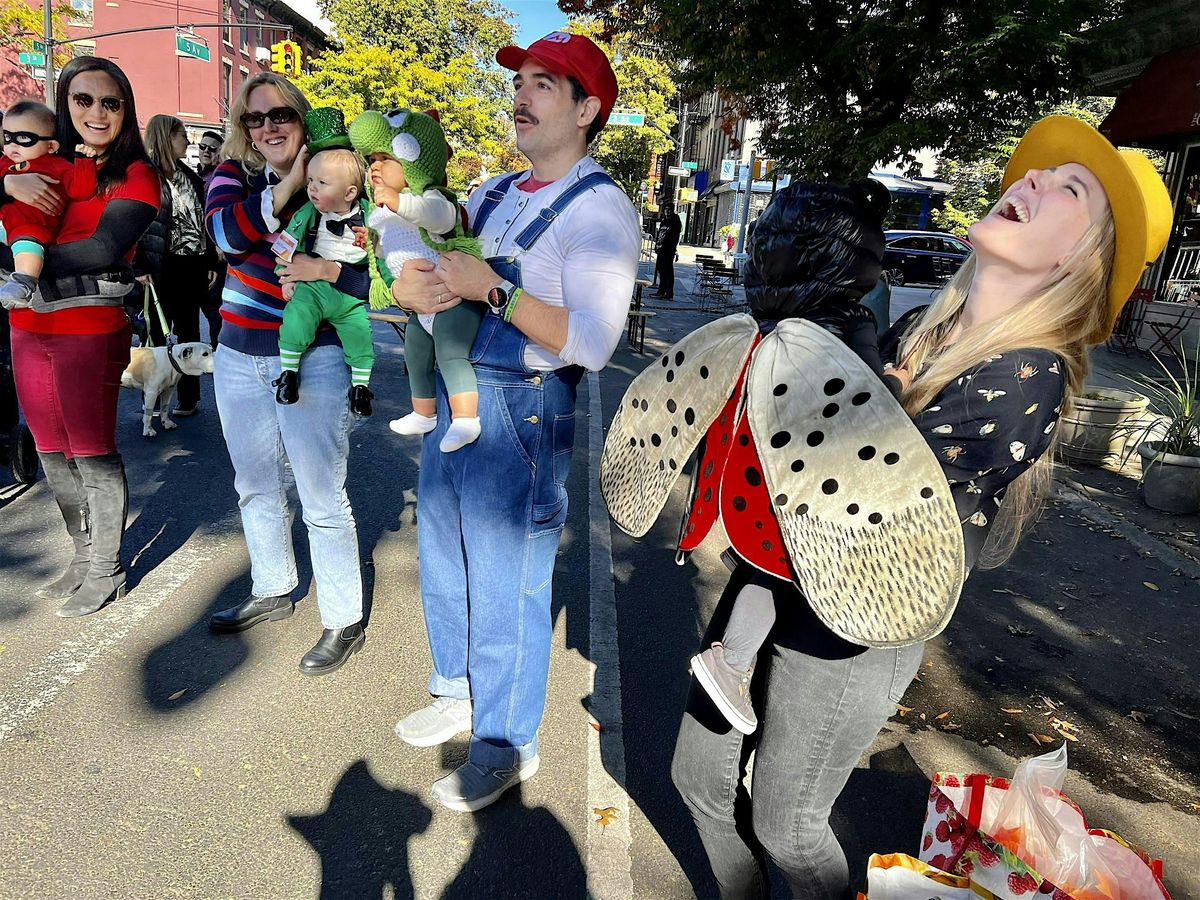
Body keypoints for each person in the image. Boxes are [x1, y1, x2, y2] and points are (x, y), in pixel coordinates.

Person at [666, 115, 1171, 898]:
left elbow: (854, 495)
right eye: (1036, 173)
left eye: (1069, 188)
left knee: (786, 825)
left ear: (1081, 259)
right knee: (696, 777)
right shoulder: (912, 327)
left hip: (854, 629)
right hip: (773, 576)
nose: (1030, 180)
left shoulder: (1028, 376)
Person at [390, 31, 640, 811]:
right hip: (459, 398)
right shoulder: (496, 189)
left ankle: (505, 744)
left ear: (587, 108)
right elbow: (433, 267)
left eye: (543, 84)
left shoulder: (602, 209)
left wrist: (491, 291)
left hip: (524, 410)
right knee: (444, 556)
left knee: (508, 583)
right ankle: (460, 690)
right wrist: (414, 289)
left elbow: (594, 345)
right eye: (519, 81)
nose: (521, 96)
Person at [203, 72, 368, 676]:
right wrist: (293, 180)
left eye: (282, 116)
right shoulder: (233, 177)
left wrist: (320, 270)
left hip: (315, 355)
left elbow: (361, 278)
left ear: (302, 120)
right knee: (255, 485)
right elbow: (225, 235)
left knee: (323, 495)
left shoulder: (339, 189)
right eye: (255, 118)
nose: (268, 126)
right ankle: (273, 586)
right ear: (242, 128)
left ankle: (342, 618)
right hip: (238, 354)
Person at [0, 57, 161, 617]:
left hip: (89, 329)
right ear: (64, 102)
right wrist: (7, 177)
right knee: (49, 449)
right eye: (82, 99)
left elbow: (102, 249)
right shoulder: (43, 160)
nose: (95, 112)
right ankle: (81, 552)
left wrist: (13, 265)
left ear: (126, 111)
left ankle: (107, 567)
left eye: (109, 102)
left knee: (91, 449)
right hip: (27, 326)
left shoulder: (137, 174)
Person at [272, 108, 374, 415]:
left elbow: (384, 254)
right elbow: (285, 245)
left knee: (361, 339)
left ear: (350, 191)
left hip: (350, 296)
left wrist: (379, 255)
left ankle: (361, 389)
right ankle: (288, 374)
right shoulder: (308, 213)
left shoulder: (372, 216)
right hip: (313, 287)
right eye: (311, 180)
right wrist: (286, 275)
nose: (312, 188)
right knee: (296, 321)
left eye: (322, 183)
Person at [136, 114, 219, 416]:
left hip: (193, 265)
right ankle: (156, 398)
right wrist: (139, 265)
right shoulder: (145, 175)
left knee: (189, 334)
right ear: (165, 137)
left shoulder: (190, 176)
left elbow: (201, 220)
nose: (188, 140)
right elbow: (135, 224)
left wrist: (209, 258)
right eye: (182, 134)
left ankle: (188, 398)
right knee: (159, 336)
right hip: (161, 266)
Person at [0, 99, 98, 308]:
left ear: (51, 146)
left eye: (24, 138)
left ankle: (24, 281)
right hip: (5, 223)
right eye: (8, 137)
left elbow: (82, 190)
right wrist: (6, 184)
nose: (13, 145)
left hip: (34, 225)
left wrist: (84, 163)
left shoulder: (57, 166)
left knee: (28, 244)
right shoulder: (4, 163)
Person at [196, 130, 227, 348]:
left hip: (214, 254)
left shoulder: (223, 179)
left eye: (212, 148)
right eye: (203, 147)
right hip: (197, 255)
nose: (206, 151)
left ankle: (218, 353)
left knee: (215, 310)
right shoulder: (196, 176)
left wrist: (215, 255)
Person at [653, 202, 682, 299]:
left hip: (668, 251)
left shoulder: (675, 222)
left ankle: (669, 293)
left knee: (668, 271)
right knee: (661, 270)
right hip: (660, 250)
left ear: (672, 210)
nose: (667, 211)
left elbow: (674, 237)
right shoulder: (664, 221)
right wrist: (657, 245)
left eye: (669, 209)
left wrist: (669, 247)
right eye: (666, 209)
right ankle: (661, 290)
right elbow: (660, 234)